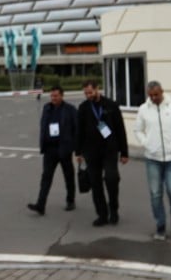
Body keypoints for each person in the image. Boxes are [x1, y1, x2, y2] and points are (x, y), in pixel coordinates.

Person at [133, 80, 171, 241]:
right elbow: (138, 130)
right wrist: (146, 143)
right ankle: (160, 226)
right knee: (155, 193)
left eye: (156, 94)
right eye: (150, 95)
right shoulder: (144, 109)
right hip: (153, 158)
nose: (153, 98)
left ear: (162, 92)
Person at [75, 80, 129, 226]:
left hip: (109, 150)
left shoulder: (111, 105)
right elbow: (79, 130)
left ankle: (114, 210)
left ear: (97, 89)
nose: (88, 95)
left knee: (111, 179)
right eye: (85, 93)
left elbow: (120, 129)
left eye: (90, 92)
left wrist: (124, 152)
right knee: (95, 183)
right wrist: (78, 152)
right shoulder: (84, 108)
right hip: (90, 151)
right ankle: (102, 214)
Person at [27, 86, 78, 214]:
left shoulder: (70, 110)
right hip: (50, 149)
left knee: (69, 176)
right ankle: (41, 204)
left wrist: (74, 148)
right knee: (46, 177)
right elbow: (43, 125)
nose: (53, 98)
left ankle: (70, 200)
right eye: (52, 96)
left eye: (56, 96)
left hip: (64, 148)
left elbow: (76, 129)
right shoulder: (47, 108)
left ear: (62, 96)